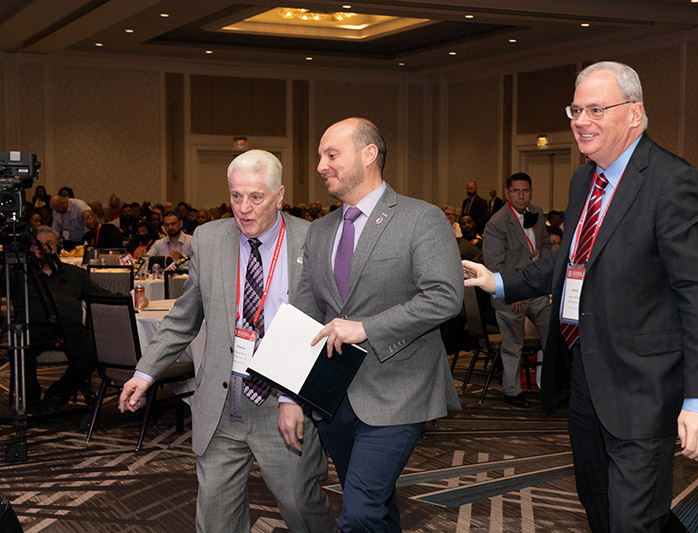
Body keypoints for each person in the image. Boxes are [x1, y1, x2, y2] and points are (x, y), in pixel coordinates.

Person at [462, 61, 698, 532]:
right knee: (599, 506)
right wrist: (498, 282)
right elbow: (567, 263)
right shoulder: (586, 179)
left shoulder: (672, 182)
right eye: (576, 109)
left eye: (596, 109)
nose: (581, 120)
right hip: (584, 375)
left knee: (633, 519)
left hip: (644, 386)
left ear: (634, 114)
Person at [118, 149, 335, 532]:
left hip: (281, 402)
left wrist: (294, 398)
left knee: (303, 510)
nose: (244, 209)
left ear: (280, 195)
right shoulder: (209, 238)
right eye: (237, 196)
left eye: (256, 197)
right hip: (222, 402)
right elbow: (185, 316)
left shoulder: (311, 239)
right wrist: (145, 372)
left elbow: (323, 322)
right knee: (216, 520)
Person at [295, 117, 463, 532]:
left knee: (358, 514)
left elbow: (444, 296)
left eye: (331, 155)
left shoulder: (420, 219)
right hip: (333, 397)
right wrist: (288, 394)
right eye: (320, 156)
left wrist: (366, 327)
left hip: (397, 392)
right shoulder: (319, 231)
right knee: (377, 506)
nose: (320, 165)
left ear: (369, 155)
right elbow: (304, 312)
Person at [11, 226, 108, 414]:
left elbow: (99, 296)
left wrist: (129, 299)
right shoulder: (18, 274)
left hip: (70, 329)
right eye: (36, 245)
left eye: (49, 244)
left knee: (94, 348)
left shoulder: (74, 274)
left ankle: (57, 395)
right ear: (29, 248)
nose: (42, 248)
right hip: (32, 329)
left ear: (57, 247)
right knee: (19, 347)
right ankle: (32, 404)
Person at [482, 172, 551, 408]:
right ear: (507, 193)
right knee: (513, 344)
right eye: (516, 191)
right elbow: (494, 266)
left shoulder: (537, 212)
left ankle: (554, 386)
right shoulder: (496, 223)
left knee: (554, 336)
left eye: (526, 191)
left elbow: (546, 246)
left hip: (537, 290)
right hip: (511, 294)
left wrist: (546, 277)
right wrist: (513, 292)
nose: (521, 196)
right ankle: (512, 392)